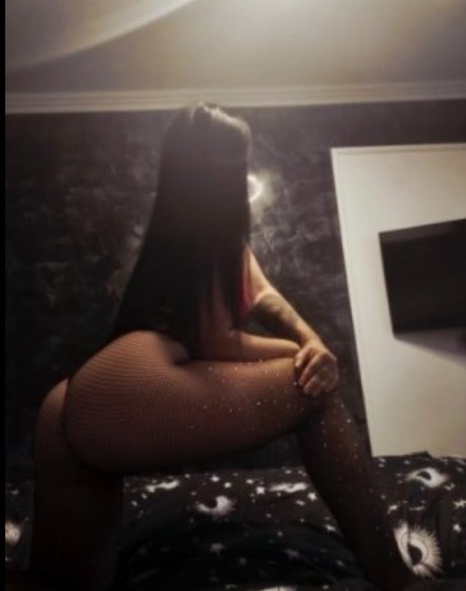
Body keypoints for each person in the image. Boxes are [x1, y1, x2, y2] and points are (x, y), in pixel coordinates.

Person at [29, 103, 417, 591]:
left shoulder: (189, 233)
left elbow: (266, 295)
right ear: (223, 173)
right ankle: (393, 577)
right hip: (131, 386)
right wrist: (301, 357)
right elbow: (216, 341)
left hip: (68, 403)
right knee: (314, 391)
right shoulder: (212, 234)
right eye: (240, 160)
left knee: (69, 581)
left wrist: (313, 341)